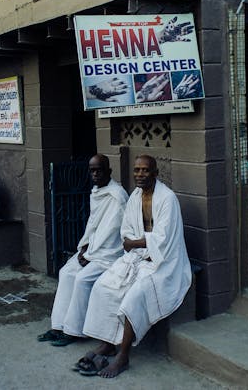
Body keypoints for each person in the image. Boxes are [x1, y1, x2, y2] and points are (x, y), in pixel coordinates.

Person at [78, 155, 191, 378]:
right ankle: (108, 343)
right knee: (103, 286)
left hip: (164, 263)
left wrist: (136, 243)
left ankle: (123, 356)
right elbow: (126, 230)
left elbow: (164, 238)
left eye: (145, 170)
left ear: (155, 173)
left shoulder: (167, 199)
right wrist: (135, 245)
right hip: (137, 257)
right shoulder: (134, 197)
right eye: (137, 170)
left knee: (134, 297)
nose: (139, 174)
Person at [37, 154, 128, 348]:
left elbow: (112, 232)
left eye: (99, 170)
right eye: (92, 170)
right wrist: (84, 247)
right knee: (66, 272)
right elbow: (93, 226)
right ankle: (58, 327)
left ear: (109, 171)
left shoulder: (117, 195)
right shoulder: (97, 191)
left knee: (82, 279)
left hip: (109, 254)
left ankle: (74, 331)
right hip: (93, 250)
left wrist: (91, 253)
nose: (95, 174)